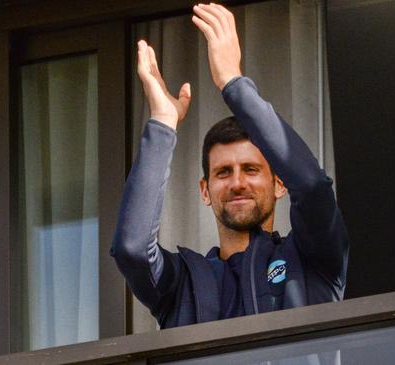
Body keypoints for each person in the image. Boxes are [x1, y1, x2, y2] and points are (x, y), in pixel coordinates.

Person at [111, 3, 349, 328]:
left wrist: (233, 84)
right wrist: (163, 123)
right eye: (223, 172)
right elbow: (132, 249)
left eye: (251, 169)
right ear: (205, 191)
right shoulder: (182, 284)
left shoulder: (311, 259)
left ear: (280, 183)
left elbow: (312, 187)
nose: (237, 182)